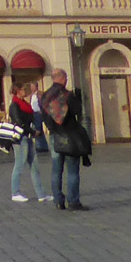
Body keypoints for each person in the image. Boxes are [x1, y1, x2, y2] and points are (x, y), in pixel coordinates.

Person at [39, 68, 89, 211]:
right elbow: (77, 111)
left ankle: (58, 200)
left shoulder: (45, 96)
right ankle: (73, 201)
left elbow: (44, 115)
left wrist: (52, 128)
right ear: (62, 78)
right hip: (69, 134)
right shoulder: (67, 95)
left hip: (54, 135)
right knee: (72, 170)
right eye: (65, 78)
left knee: (56, 170)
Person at [7, 81, 42, 202]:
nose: (25, 91)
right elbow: (19, 122)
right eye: (22, 89)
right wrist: (32, 131)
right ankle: (15, 192)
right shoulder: (14, 105)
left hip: (27, 137)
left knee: (34, 165)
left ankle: (41, 194)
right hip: (20, 138)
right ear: (17, 91)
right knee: (19, 164)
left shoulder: (24, 104)